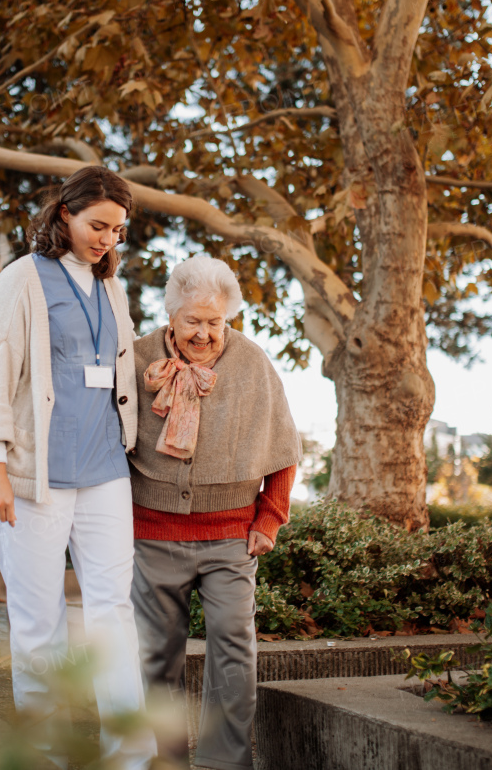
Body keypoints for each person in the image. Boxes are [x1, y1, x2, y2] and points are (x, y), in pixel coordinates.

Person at [0, 165, 155, 769]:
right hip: (33, 479)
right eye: (98, 225)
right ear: (64, 215)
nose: (107, 239)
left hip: (105, 473)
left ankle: (131, 756)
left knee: (113, 615)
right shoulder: (22, 279)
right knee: (38, 621)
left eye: (118, 231)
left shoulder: (113, 290)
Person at [128, 256, 301, 770]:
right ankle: (166, 761)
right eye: (193, 322)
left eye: (215, 322)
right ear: (171, 317)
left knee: (233, 645)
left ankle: (224, 763)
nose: (204, 334)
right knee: (156, 656)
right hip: (152, 532)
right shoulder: (136, 358)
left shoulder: (252, 363)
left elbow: (283, 447)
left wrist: (268, 520)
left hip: (229, 536)